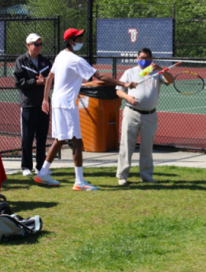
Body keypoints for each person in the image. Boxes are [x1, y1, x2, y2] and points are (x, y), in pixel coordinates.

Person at [35, 28, 137, 191]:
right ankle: (79, 182)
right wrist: (124, 84)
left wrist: (45, 99)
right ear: (71, 41)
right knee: (76, 140)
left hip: (57, 102)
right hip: (67, 104)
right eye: (79, 38)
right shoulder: (76, 60)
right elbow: (100, 77)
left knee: (60, 139)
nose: (82, 41)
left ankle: (42, 173)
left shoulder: (60, 55)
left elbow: (49, 78)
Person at [116, 48, 174, 186]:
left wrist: (162, 69)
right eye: (142, 58)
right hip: (131, 113)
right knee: (126, 145)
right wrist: (128, 98)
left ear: (152, 59)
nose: (144, 61)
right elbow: (119, 91)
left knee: (147, 146)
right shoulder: (130, 72)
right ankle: (122, 175)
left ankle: (146, 175)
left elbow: (170, 81)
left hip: (150, 115)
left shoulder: (157, 72)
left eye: (147, 58)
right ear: (137, 58)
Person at [14, 33, 52, 177]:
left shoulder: (45, 61)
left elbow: (52, 78)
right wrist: (35, 82)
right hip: (28, 105)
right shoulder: (21, 61)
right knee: (27, 138)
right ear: (28, 45)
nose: (39, 47)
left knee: (42, 138)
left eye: (40, 44)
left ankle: (41, 167)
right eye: (36, 44)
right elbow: (19, 83)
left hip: (44, 104)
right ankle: (26, 167)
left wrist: (46, 81)